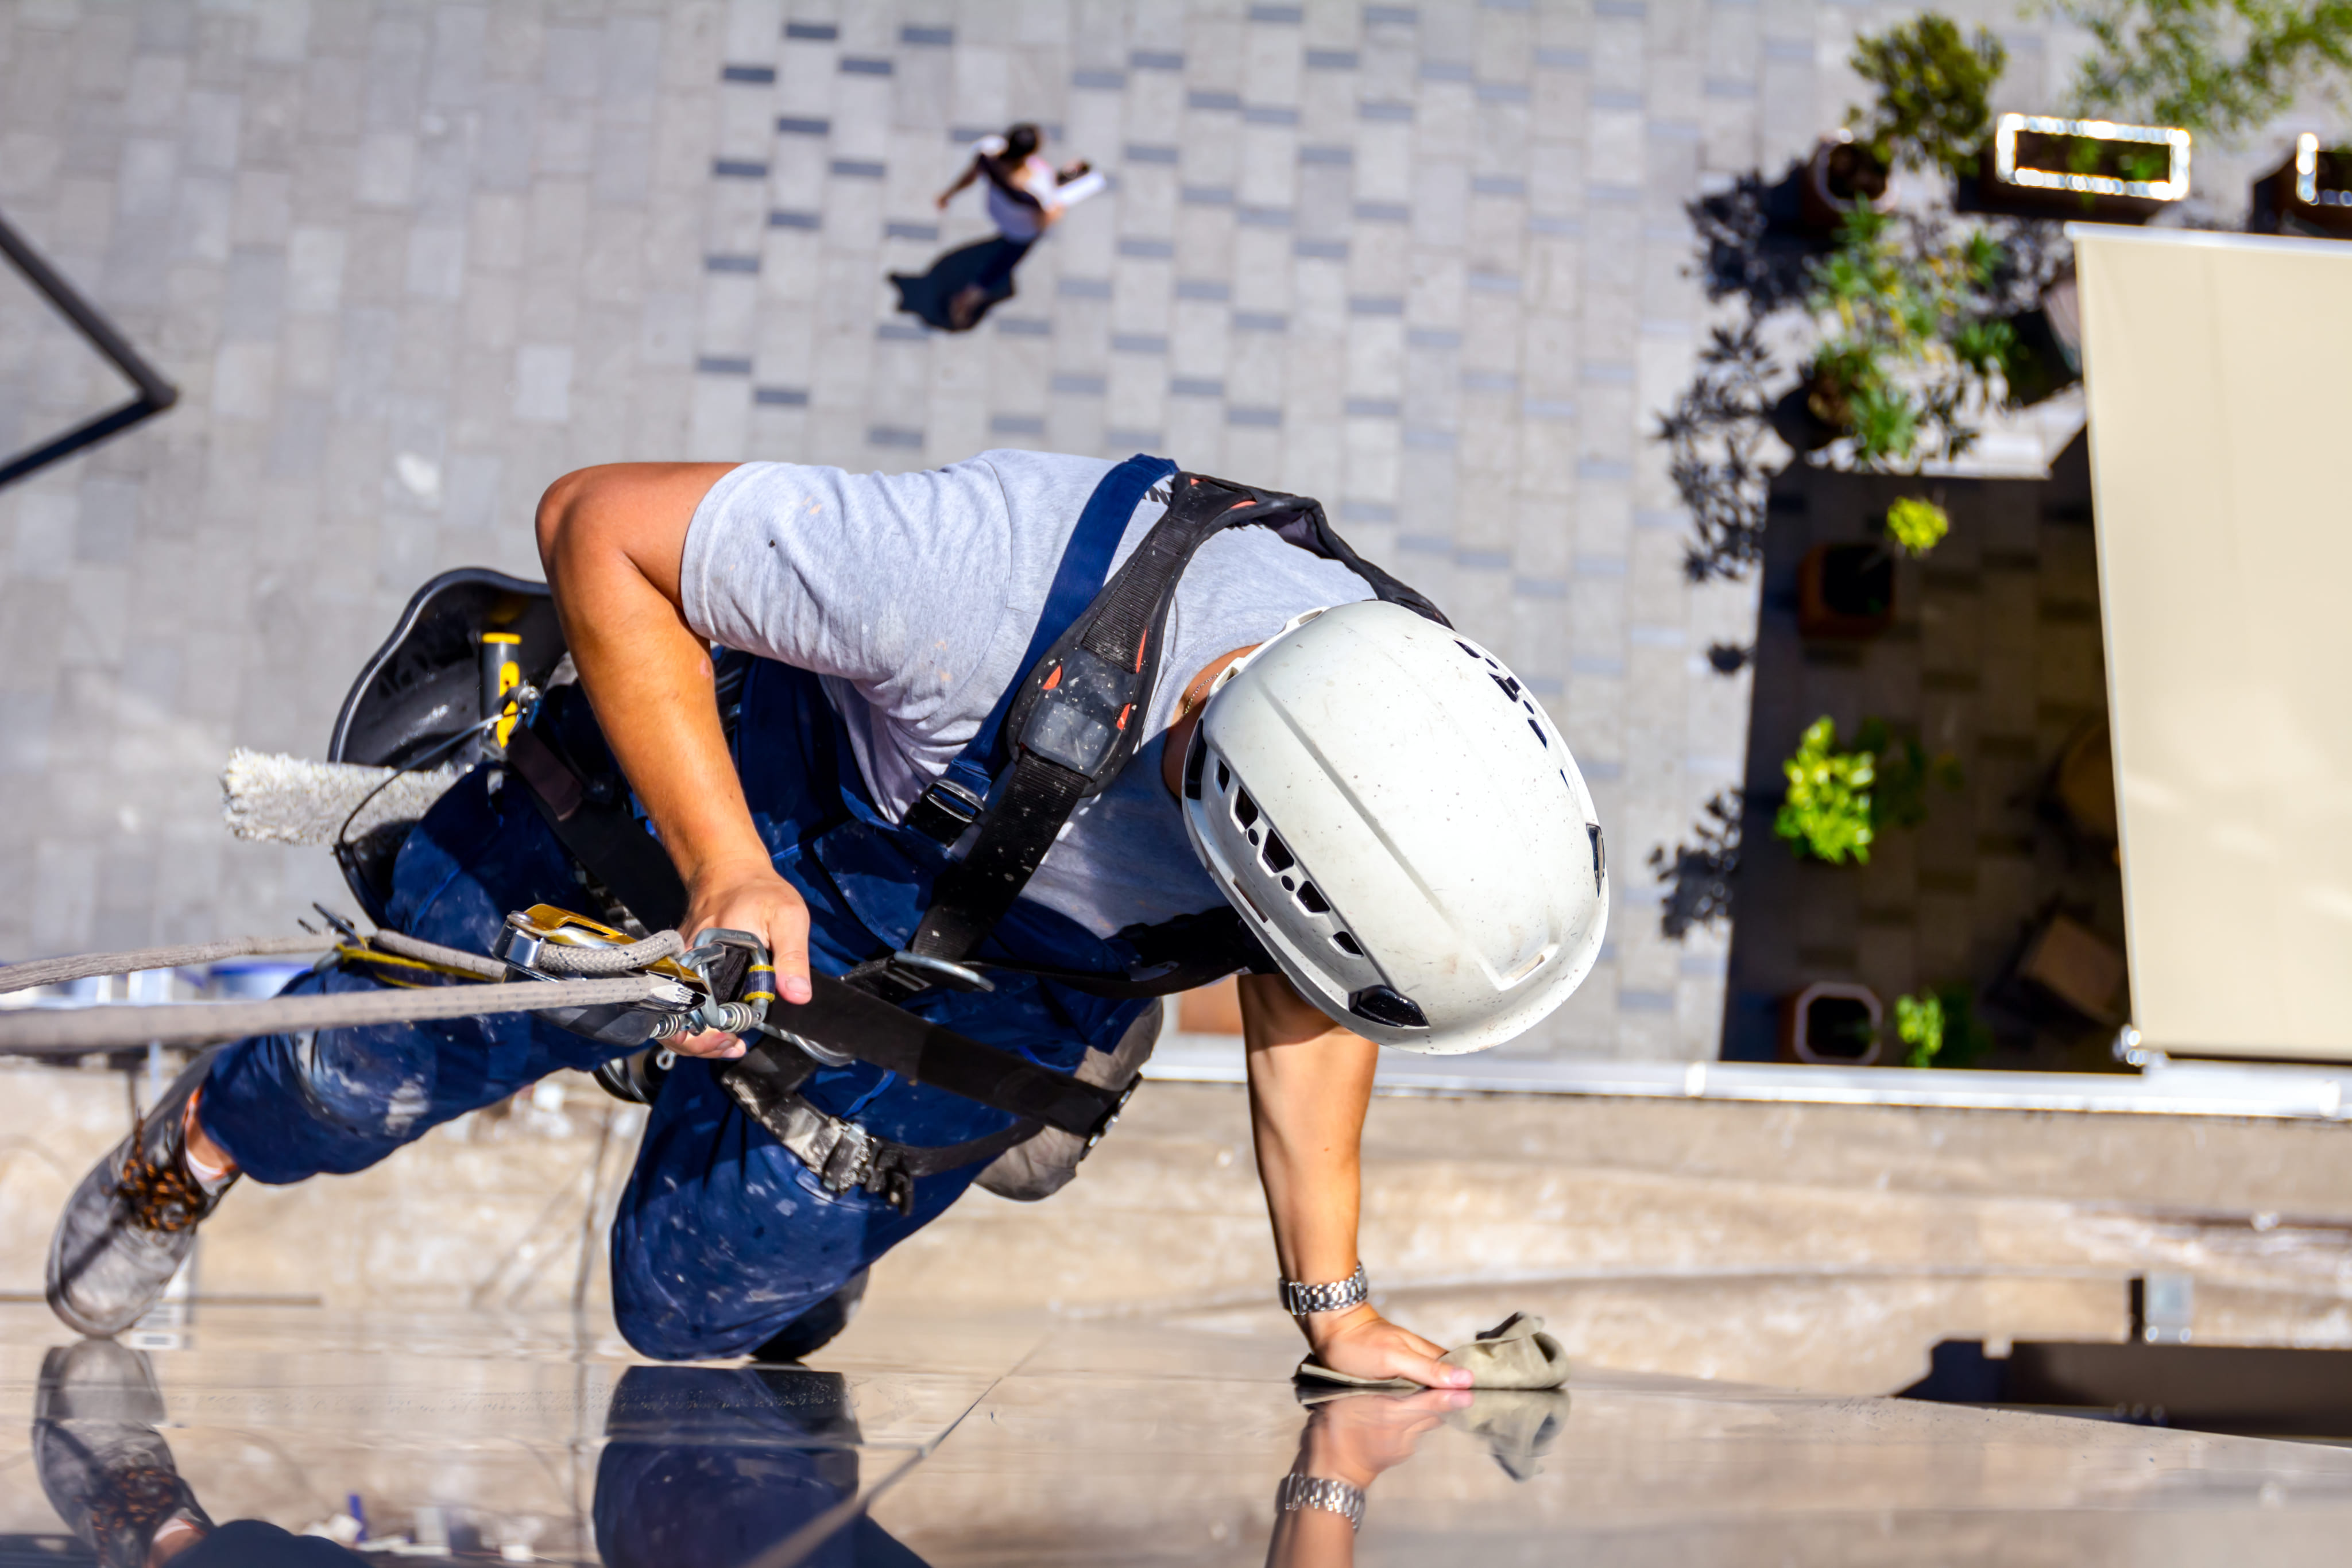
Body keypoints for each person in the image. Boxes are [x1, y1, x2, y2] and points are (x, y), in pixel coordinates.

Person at [47, 451, 1608, 1388]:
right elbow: (601, 521)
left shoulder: (1393, 753)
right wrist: (728, 865)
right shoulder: (982, 585)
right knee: (344, 1080)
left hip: (1016, 959)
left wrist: (1329, 1305)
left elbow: (1312, 979)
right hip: (763, 812)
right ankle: (195, 1146)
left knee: (692, 1304)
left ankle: (867, 1124)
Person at [931, 123, 1088, 330]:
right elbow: (1044, 220)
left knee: (1006, 247)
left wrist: (949, 194)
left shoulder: (988, 152)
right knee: (1005, 262)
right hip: (1022, 230)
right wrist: (1058, 209)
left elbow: (971, 175)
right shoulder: (1037, 185)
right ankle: (967, 298)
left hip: (996, 210)